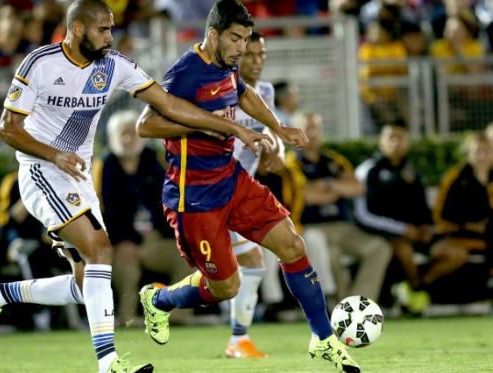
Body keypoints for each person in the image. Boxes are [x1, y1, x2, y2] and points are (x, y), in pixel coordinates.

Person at [0, 1, 268, 373]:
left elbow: (167, 103)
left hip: (74, 176)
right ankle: (109, 363)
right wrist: (56, 155)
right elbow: (8, 129)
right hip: (41, 170)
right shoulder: (40, 63)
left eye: (111, 28)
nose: (111, 36)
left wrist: (230, 127)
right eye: (103, 29)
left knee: (86, 284)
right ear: (77, 30)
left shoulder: (114, 65)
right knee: (101, 253)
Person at [135, 1, 359, 372]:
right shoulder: (187, 73)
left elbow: (242, 93)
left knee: (292, 244)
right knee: (226, 287)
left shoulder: (227, 64)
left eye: (245, 39)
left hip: (232, 179)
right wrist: (217, 126)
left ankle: (323, 339)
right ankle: (159, 301)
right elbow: (147, 125)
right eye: (235, 38)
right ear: (212, 35)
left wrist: (278, 127)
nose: (241, 47)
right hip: (194, 198)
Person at [92, 110, 193, 326]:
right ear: (112, 138)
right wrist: (122, 241)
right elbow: (101, 211)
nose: (129, 139)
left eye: (133, 133)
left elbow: (173, 199)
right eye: (123, 133)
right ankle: (126, 319)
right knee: (126, 267)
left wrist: (171, 234)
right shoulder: (104, 166)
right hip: (121, 242)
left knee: (186, 257)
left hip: (156, 238)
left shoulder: (155, 160)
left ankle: (177, 316)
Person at [288, 112, 392, 302]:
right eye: (307, 127)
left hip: (343, 227)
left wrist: (327, 185)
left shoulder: (335, 160)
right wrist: (337, 188)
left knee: (380, 248)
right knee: (331, 256)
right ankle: (341, 308)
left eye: (316, 128)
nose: (313, 133)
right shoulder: (291, 162)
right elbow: (306, 195)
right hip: (311, 228)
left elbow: (358, 188)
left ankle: (359, 304)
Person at [223, 31, 279, 359]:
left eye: (262, 55)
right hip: (217, 192)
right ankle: (160, 299)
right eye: (250, 55)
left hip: (241, 195)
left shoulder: (266, 92)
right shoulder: (221, 93)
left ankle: (238, 340)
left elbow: (272, 128)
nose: (257, 62)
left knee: (250, 265)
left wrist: (278, 148)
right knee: (232, 274)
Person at [354, 120, 433, 313]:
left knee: (446, 251)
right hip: (377, 233)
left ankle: (408, 290)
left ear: (408, 142)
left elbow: (422, 207)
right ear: (381, 141)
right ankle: (416, 291)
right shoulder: (369, 170)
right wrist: (402, 229)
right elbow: (363, 215)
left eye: (401, 138)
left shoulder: (412, 170)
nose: (396, 143)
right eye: (391, 138)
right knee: (403, 249)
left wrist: (426, 227)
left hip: (412, 232)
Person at [427, 133, 492, 287]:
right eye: (477, 151)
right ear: (469, 154)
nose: (481, 156)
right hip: (455, 235)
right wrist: (468, 225)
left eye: (486, 151)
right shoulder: (456, 178)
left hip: (486, 236)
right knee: (455, 255)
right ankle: (421, 286)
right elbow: (441, 215)